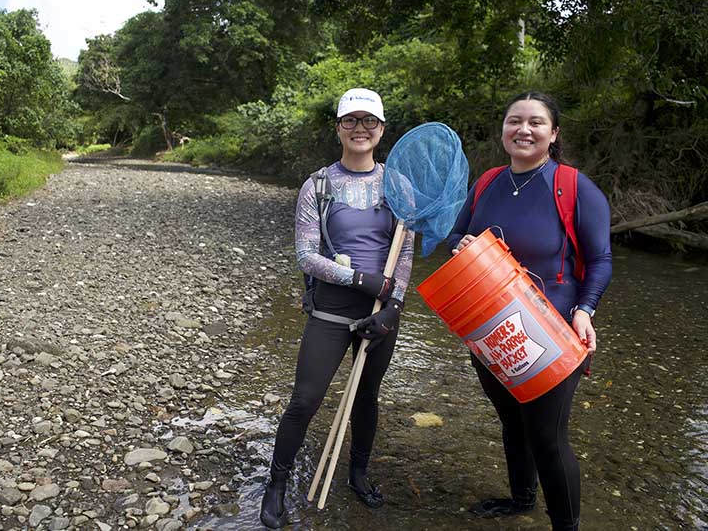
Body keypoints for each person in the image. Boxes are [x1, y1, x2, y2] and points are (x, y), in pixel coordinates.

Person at [447, 91, 612, 531]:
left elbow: (600, 260)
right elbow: (457, 237)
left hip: (553, 332)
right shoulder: (487, 183)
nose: (524, 129)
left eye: (536, 122)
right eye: (514, 121)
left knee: (548, 437)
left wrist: (585, 310)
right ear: (503, 129)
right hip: (492, 331)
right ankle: (520, 499)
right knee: (512, 421)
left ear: (553, 133)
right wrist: (460, 247)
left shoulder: (575, 187)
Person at [259, 88, 414, 529]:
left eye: (370, 122)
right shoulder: (318, 185)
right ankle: (277, 485)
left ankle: (358, 474)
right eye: (351, 121)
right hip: (330, 309)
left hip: (381, 312)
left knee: (366, 397)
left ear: (382, 129)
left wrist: (392, 307)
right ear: (338, 128)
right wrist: (360, 279)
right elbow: (306, 256)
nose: (360, 129)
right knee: (305, 400)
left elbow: (404, 257)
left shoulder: (398, 187)